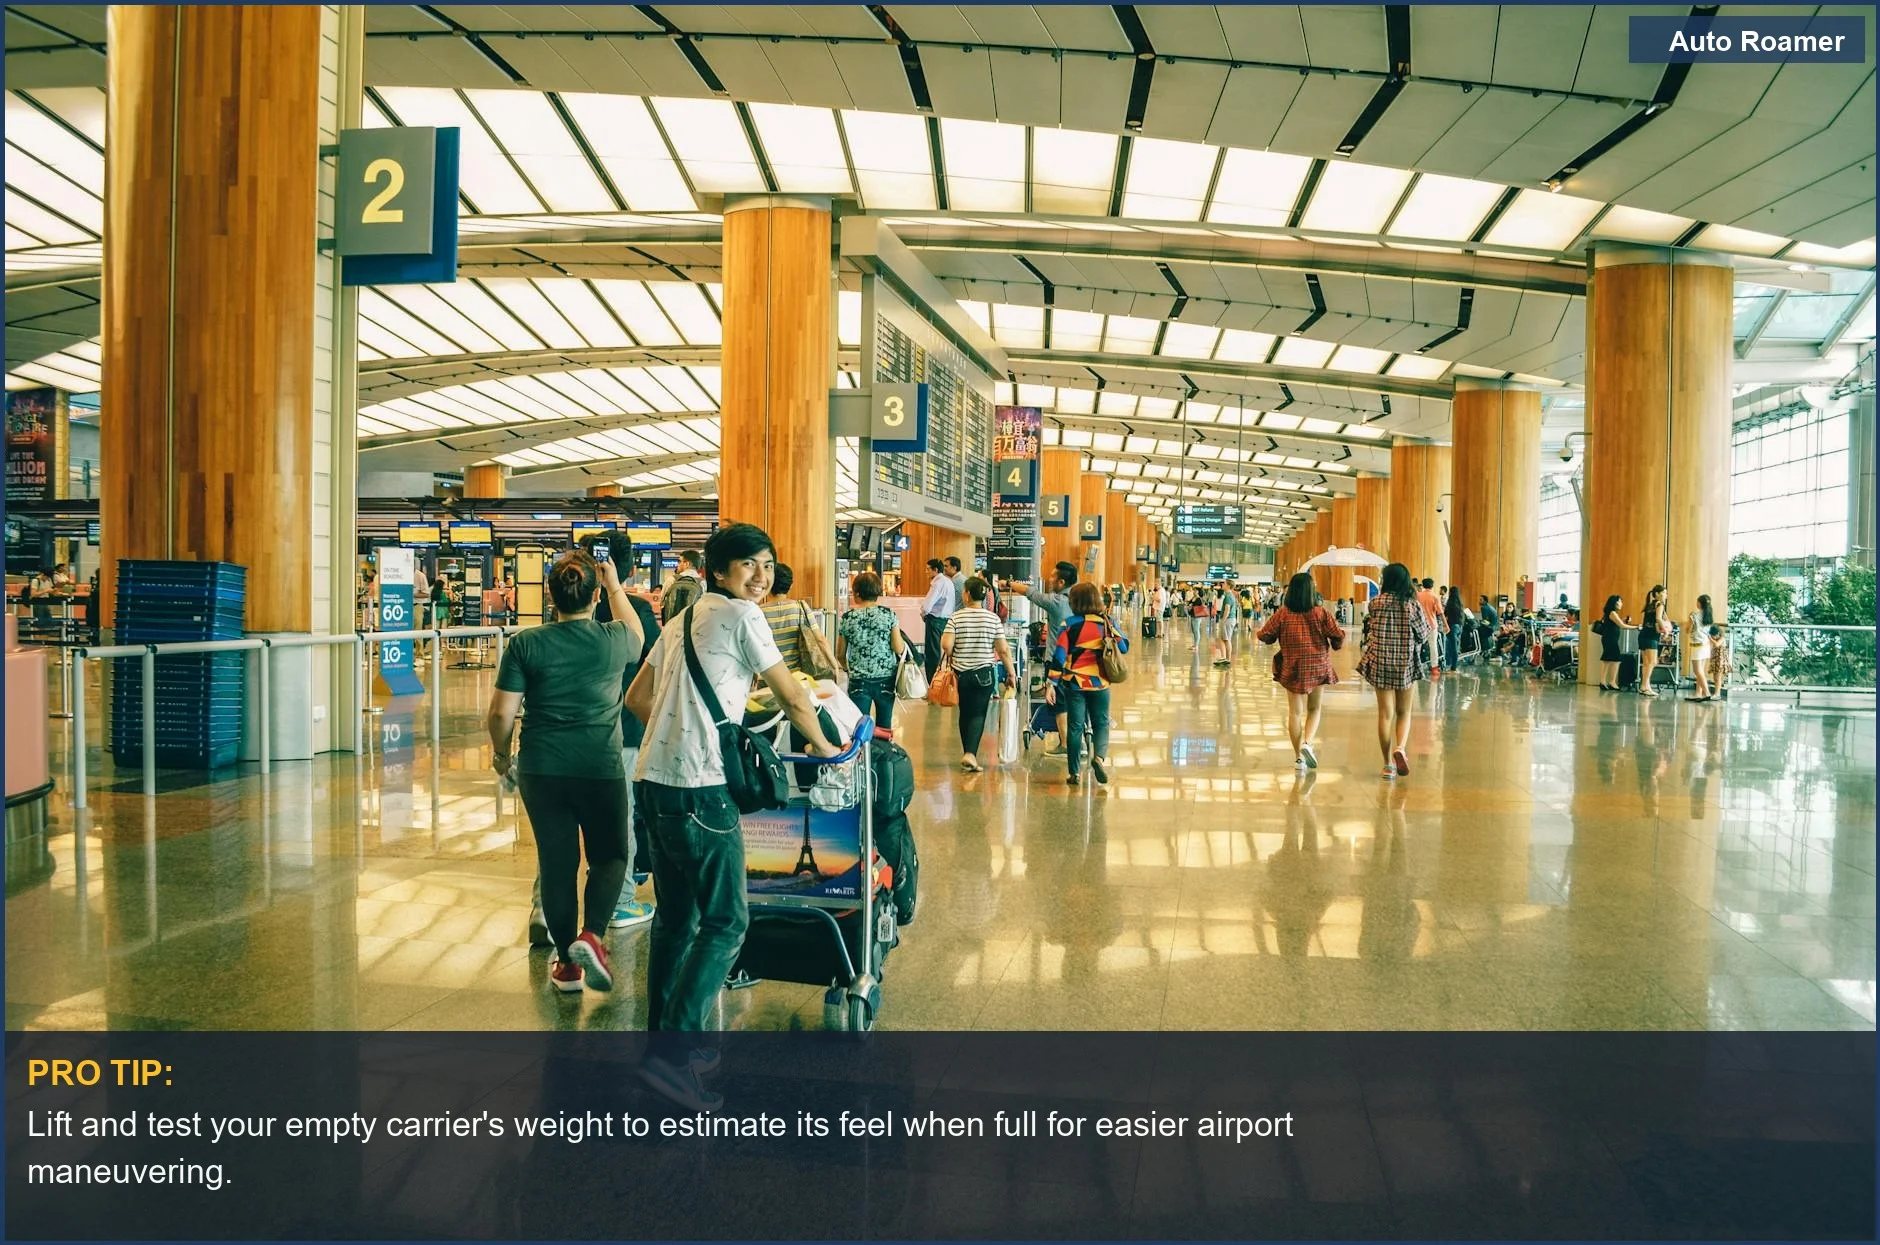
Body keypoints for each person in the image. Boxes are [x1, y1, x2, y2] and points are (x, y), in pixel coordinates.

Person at [625, 523, 837, 1111]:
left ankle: (660, 1048)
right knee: (725, 923)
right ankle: (672, 1061)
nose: (761, 576)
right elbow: (793, 696)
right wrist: (824, 746)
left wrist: (680, 732)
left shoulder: (679, 619)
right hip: (701, 790)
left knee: (674, 921)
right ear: (720, 570)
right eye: (748, 564)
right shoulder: (745, 618)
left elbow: (637, 701)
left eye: (767, 564)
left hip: (653, 781)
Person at [487, 550, 646, 996]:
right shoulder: (614, 638)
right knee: (612, 855)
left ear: (550, 597)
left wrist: (502, 757)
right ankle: (592, 936)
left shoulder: (526, 643)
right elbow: (636, 630)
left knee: (557, 864)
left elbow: (501, 714)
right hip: (600, 766)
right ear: (594, 595)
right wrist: (614, 584)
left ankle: (566, 966)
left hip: (542, 767)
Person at [1260, 572, 1344, 771]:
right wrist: (1336, 642)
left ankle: (1299, 757)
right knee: (1314, 709)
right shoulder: (1321, 612)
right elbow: (1337, 636)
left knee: (1295, 713)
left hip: (1293, 665)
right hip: (1317, 665)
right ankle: (1307, 742)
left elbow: (1265, 635)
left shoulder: (1283, 613)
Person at [1049, 581, 1128, 786]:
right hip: (1100, 682)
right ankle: (1099, 758)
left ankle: (1074, 773)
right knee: (1100, 723)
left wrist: (1051, 683)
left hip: (1074, 683)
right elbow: (1124, 646)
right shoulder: (1107, 622)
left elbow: (1059, 656)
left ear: (1074, 602)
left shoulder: (1068, 624)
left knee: (1075, 726)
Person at [1358, 563, 1430, 780]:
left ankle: (1387, 765)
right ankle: (1400, 747)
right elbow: (1422, 635)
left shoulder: (1375, 603)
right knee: (1404, 712)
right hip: (1405, 663)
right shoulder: (1411, 605)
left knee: (1385, 714)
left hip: (1380, 662)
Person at [938, 577, 1014, 772]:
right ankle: (970, 754)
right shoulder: (993, 618)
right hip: (984, 674)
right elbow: (1003, 649)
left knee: (965, 712)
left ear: (967, 594)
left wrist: (953, 651)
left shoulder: (956, 617)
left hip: (961, 673)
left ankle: (968, 752)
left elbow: (946, 645)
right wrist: (1011, 672)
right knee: (978, 714)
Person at [1017, 561, 1078, 753]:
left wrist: (1008, 584)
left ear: (1061, 582)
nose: (1049, 579)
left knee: (1060, 701)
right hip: (1079, 659)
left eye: (1052, 576)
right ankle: (1077, 738)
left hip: (1056, 659)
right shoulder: (1080, 600)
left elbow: (1031, 593)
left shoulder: (1056, 601)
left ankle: (1065, 744)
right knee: (1076, 699)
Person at [836, 571, 906, 728]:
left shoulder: (848, 618)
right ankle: (884, 751)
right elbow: (898, 647)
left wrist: (848, 669)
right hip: (886, 679)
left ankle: (864, 752)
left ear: (857, 593)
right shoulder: (889, 615)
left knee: (860, 726)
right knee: (884, 725)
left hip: (859, 680)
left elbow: (840, 654)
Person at [759, 562, 814, 675]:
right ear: (790, 586)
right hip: (795, 676)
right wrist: (834, 666)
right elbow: (820, 640)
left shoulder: (758, 612)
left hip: (767, 677)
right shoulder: (800, 607)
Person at [919, 558, 956, 681]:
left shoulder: (937, 582)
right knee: (945, 653)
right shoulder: (949, 582)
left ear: (935, 570)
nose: (926, 572)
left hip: (934, 620)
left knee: (932, 654)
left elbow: (927, 605)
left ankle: (932, 685)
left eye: (928, 569)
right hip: (947, 620)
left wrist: (924, 614)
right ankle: (943, 683)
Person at [1637, 585, 1668, 698]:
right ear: (1658, 594)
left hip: (1643, 635)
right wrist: (1665, 631)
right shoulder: (1659, 604)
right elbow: (1658, 619)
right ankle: (1645, 686)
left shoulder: (1650, 604)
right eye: (1664, 593)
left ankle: (1645, 686)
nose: (1666, 595)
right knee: (1652, 662)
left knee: (1646, 663)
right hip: (1651, 636)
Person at [659, 548, 704, 624]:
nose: (677, 565)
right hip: (695, 627)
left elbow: (662, 603)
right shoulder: (703, 583)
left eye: (679, 561)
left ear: (687, 564)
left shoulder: (672, 580)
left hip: (673, 625)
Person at [1685, 594, 1716, 701]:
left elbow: (1687, 630)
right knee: (1701, 670)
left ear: (1699, 603)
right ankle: (1698, 693)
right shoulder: (1709, 616)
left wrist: (1689, 621)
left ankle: (1707, 692)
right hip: (1706, 645)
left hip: (1697, 645)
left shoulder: (1694, 615)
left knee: (1697, 670)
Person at [1596, 594, 1627, 690]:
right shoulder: (1613, 613)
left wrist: (1623, 620)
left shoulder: (1610, 613)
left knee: (1607, 659)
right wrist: (1636, 627)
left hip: (1608, 638)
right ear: (1615, 603)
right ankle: (1612, 681)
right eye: (1620, 601)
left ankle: (1603, 680)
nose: (1621, 603)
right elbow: (1622, 626)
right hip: (1610, 639)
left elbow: (1616, 624)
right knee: (1616, 659)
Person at [1415, 578, 1443, 677]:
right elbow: (1440, 613)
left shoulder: (1418, 595)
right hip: (1432, 625)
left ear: (1422, 585)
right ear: (1432, 586)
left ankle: (1416, 666)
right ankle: (1434, 668)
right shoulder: (1435, 597)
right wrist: (1446, 625)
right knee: (1433, 646)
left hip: (1420, 624)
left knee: (1418, 646)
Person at [1441, 585, 1465, 670]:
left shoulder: (1451, 603)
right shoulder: (1460, 603)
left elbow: (1445, 614)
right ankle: (1453, 666)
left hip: (1452, 626)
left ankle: (1453, 667)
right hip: (1459, 627)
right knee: (1456, 647)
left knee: (1452, 647)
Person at [1476, 595, 1501, 661]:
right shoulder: (1490, 606)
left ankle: (1483, 649)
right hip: (1495, 627)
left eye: (1481, 600)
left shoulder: (1484, 608)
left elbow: (1485, 621)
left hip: (1490, 627)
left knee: (1477, 631)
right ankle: (1486, 649)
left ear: (1485, 601)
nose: (1479, 601)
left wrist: (1478, 622)